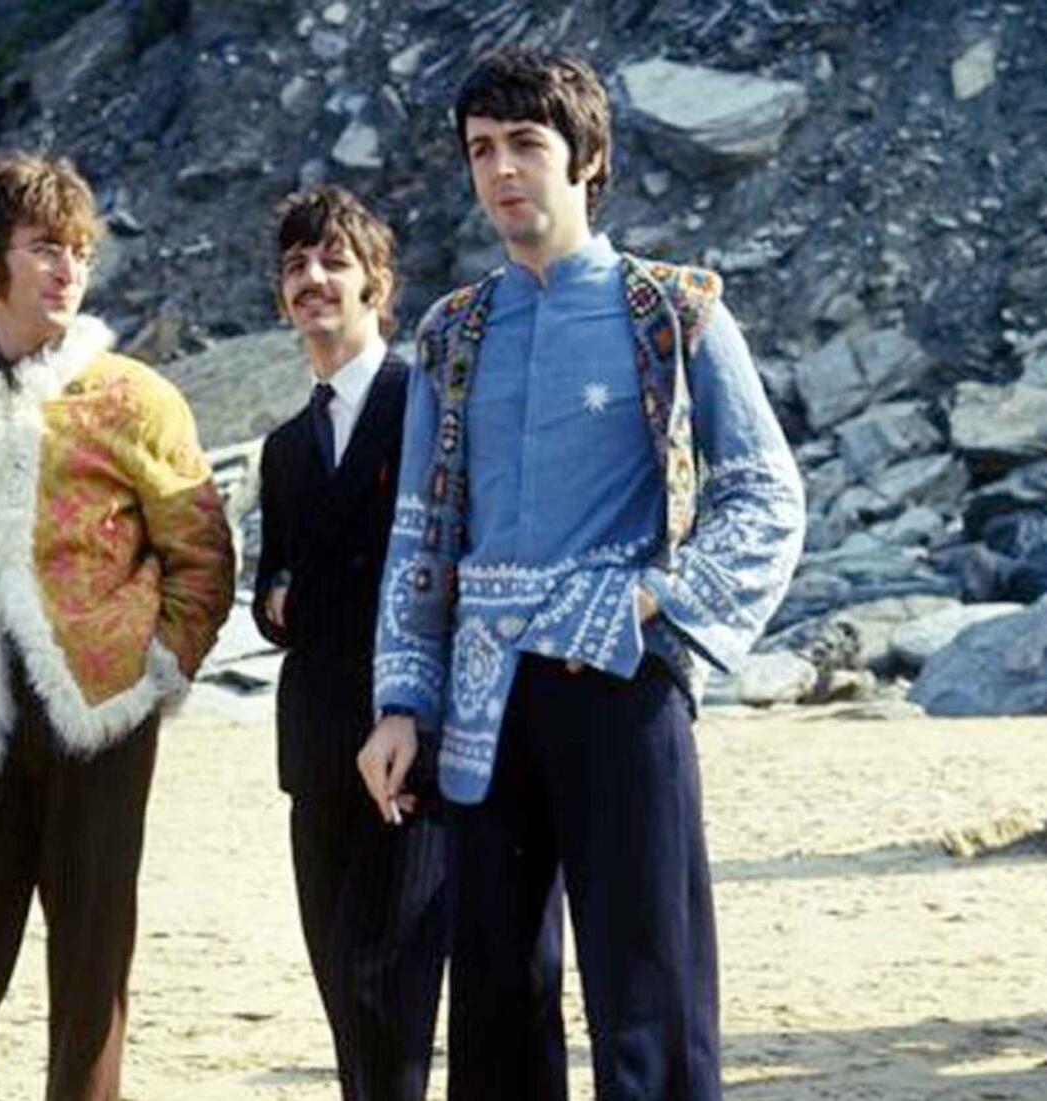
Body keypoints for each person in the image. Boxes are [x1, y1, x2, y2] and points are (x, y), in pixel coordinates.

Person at [358, 47, 806, 1101]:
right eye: (482, 150)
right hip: (481, 706)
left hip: (622, 684)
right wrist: (399, 703)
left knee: (649, 995)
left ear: (586, 158)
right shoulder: (451, 333)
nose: (503, 170)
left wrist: (654, 598)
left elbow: (766, 497)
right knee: (497, 1002)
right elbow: (423, 537)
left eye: (526, 145)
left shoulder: (676, 310)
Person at [0, 151, 235, 1101]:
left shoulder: (136, 399)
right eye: (45, 249)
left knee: (90, 983)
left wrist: (157, 668)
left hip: (100, 720)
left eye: (80, 252)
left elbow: (202, 551)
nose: (68, 269)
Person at [251, 185, 448, 1101]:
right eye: (296, 266)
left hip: (409, 741)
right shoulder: (286, 447)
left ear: (378, 283)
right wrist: (277, 595)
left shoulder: (426, 406)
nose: (313, 279)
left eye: (333, 260)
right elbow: (273, 583)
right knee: (341, 984)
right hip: (314, 746)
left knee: (389, 984)